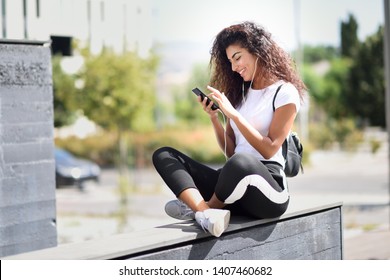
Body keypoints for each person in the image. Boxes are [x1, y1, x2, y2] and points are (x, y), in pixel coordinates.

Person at [152, 21, 306, 237]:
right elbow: (231, 151)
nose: (234, 68)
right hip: (233, 187)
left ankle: (203, 210)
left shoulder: (284, 92)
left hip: (269, 190)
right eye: (229, 61)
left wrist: (233, 114)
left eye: (237, 57)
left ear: (258, 50)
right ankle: (205, 211)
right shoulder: (241, 95)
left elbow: (270, 149)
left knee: (240, 163)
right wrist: (215, 118)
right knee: (164, 155)